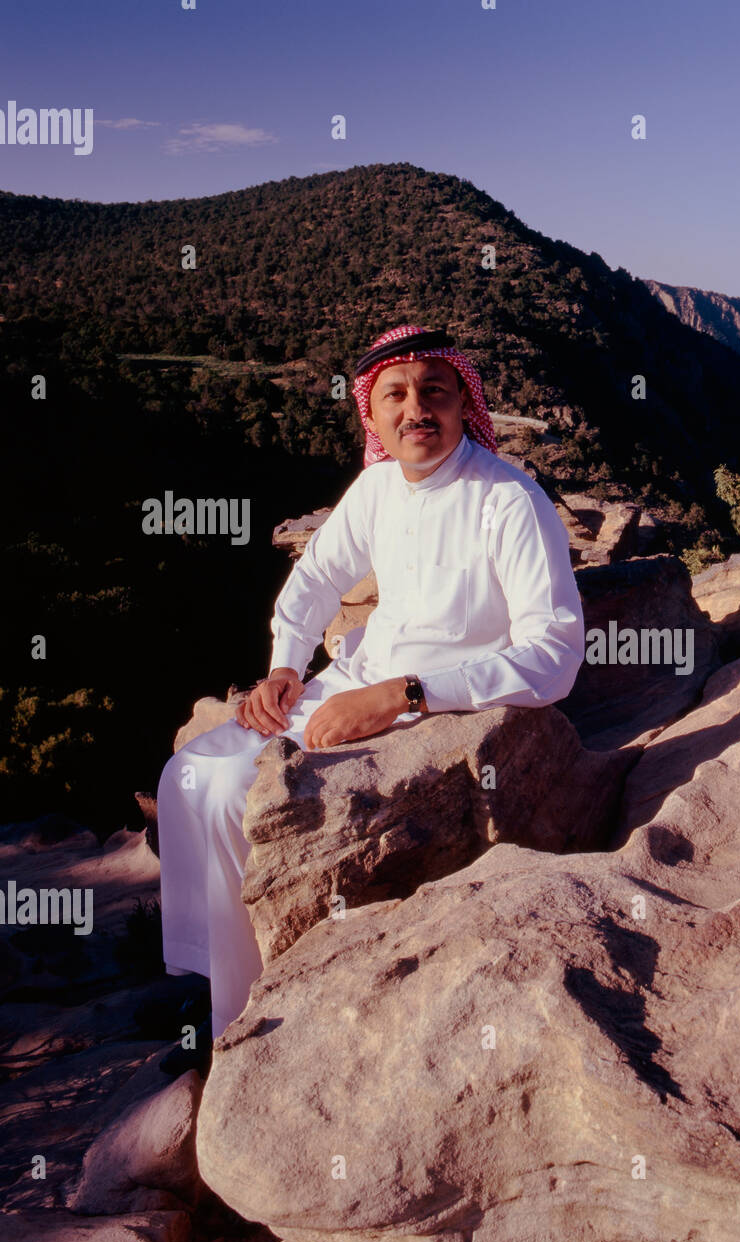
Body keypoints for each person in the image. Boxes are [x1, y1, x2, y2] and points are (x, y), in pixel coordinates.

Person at [156, 325, 585, 1036]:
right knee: (189, 774)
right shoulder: (381, 484)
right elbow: (319, 574)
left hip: (433, 706)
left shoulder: (510, 500)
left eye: (433, 392)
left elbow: (556, 655)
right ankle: (206, 977)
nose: (416, 408)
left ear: (461, 403)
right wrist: (286, 666)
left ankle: (238, 1016)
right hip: (350, 680)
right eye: (396, 395)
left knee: (241, 795)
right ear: (375, 414)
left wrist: (404, 694)